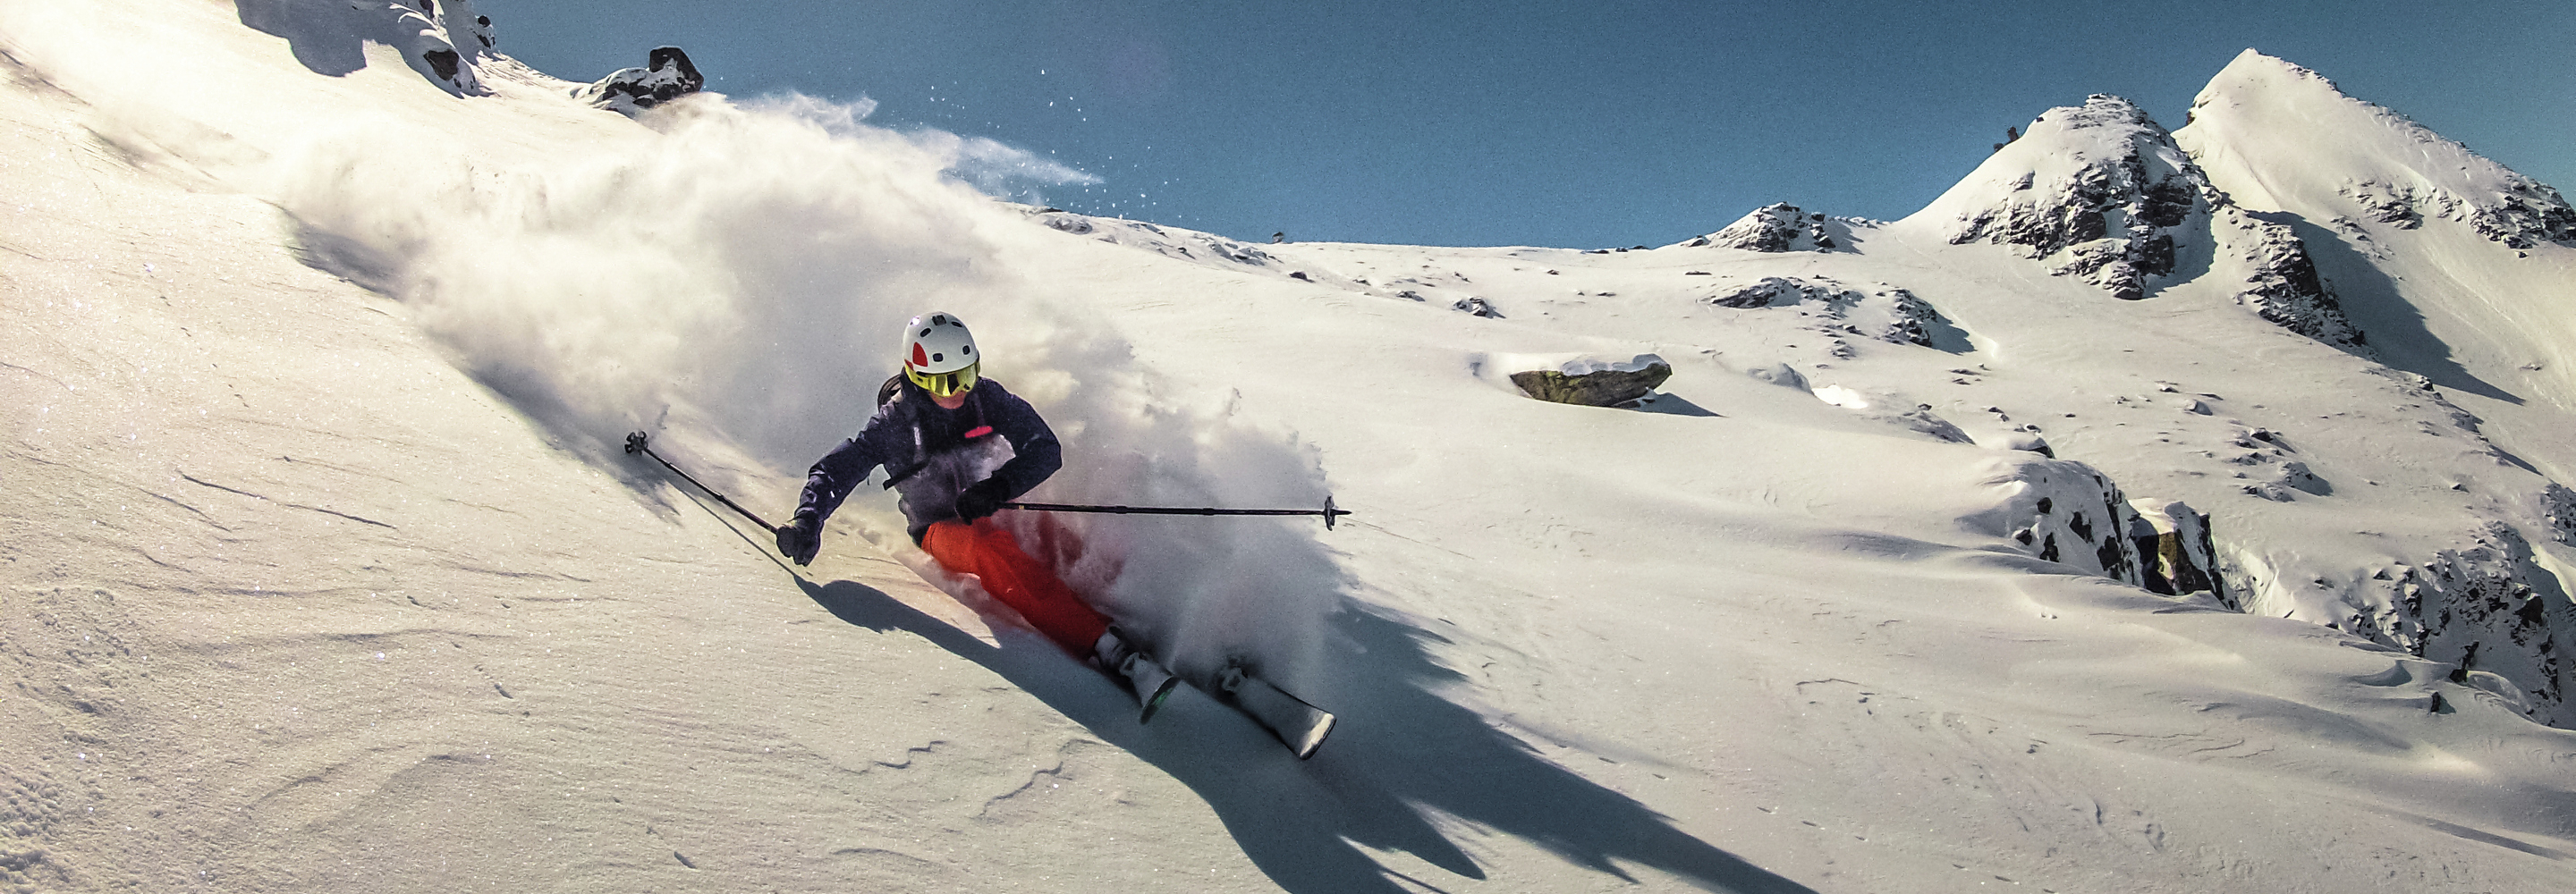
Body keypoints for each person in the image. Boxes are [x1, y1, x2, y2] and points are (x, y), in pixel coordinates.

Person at [775, 311, 1179, 720]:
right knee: (992, 552)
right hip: (937, 528)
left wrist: (998, 487)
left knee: (1058, 539)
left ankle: (1154, 622)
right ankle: (1114, 653)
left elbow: (1045, 448)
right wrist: (808, 519)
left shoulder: (986, 398)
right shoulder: (895, 424)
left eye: (966, 376)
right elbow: (837, 469)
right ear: (917, 377)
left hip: (992, 506)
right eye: (944, 383)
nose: (958, 392)